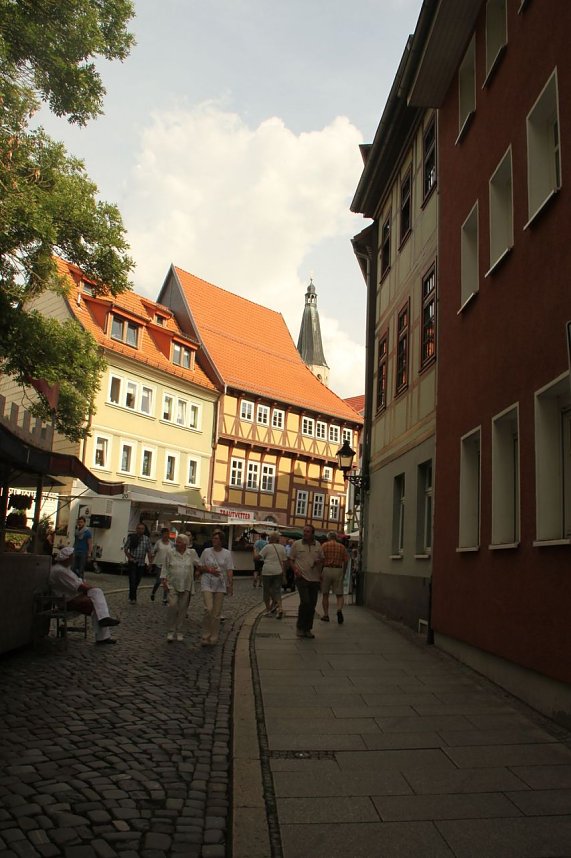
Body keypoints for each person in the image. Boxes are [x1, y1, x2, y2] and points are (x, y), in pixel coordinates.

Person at [49, 546, 120, 645]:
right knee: (97, 597)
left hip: (70, 597)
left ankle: (103, 623)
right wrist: (89, 589)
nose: (73, 559)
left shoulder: (63, 569)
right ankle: (103, 629)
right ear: (68, 558)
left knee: (97, 598)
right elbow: (79, 586)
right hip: (68, 601)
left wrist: (89, 588)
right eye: (72, 557)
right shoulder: (60, 571)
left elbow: (79, 584)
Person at [198, 529, 234, 646]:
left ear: (221, 541)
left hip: (220, 584)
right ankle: (205, 634)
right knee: (208, 609)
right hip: (207, 581)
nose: (214, 540)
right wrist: (209, 570)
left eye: (216, 538)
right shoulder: (206, 551)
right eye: (213, 538)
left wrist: (230, 584)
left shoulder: (227, 553)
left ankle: (214, 635)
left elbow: (229, 570)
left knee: (216, 612)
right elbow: (200, 566)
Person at [290, 525, 324, 639]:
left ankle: (308, 629)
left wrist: (319, 562)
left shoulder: (318, 545)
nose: (305, 533)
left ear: (312, 533)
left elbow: (322, 559)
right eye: (304, 531)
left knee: (312, 604)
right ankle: (300, 627)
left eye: (308, 531)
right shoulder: (297, 544)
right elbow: (291, 559)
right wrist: (295, 569)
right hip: (302, 578)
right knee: (305, 602)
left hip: (314, 579)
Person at [162, 534, 197, 642]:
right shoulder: (170, 553)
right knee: (172, 606)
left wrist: (202, 570)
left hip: (186, 585)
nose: (177, 544)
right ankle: (171, 631)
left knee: (182, 609)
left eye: (179, 542)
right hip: (172, 584)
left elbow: (199, 563)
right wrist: (163, 580)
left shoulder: (191, 553)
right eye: (176, 542)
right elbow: (165, 566)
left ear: (185, 544)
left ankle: (179, 631)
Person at [320, 531, 349, 624]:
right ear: (336, 537)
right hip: (338, 570)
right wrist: (343, 572)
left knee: (325, 594)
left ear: (328, 537)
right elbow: (346, 560)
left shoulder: (324, 545)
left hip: (326, 569)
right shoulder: (342, 547)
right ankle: (339, 610)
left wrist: (320, 572)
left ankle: (326, 615)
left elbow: (320, 559)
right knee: (339, 594)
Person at [259, 531, 286, 619]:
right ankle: (280, 608)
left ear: (270, 538)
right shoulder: (282, 548)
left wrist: (255, 552)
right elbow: (284, 561)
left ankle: (268, 610)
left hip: (267, 571)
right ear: (278, 539)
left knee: (266, 591)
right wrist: (284, 572)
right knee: (277, 590)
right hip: (278, 571)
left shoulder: (267, 547)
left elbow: (258, 557)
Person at [124, 523, 153, 604]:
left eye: (142, 528)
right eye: (139, 528)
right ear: (136, 529)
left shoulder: (146, 539)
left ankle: (132, 595)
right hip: (133, 562)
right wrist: (130, 557)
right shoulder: (132, 538)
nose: (140, 530)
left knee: (137, 581)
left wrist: (150, 563)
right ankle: (133, 598)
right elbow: (126, 549)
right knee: (132, 580)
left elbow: (149, 551)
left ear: (144, 530)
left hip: (141, 563)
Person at [150, 527, 173, 605]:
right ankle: (153, 592)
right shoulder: (158, 542)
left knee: (166, 582)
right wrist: (151, 562)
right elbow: (153, 552)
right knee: (158, 581)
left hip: (167, 565)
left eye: (167, 534)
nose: (166, 535)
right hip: (159, 564)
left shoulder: (171, 543)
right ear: (162, 535)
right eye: (165, 534)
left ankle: (164, 599)